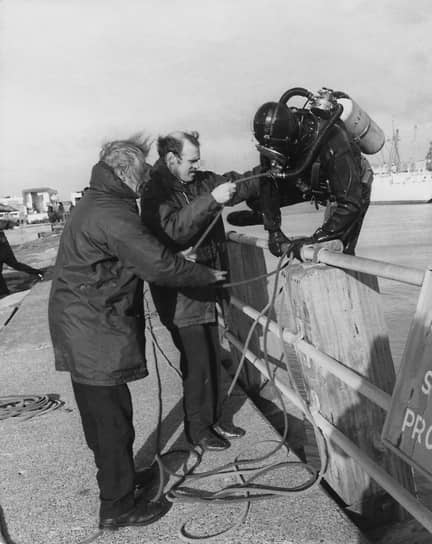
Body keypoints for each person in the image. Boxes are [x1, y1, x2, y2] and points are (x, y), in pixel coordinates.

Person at [48, 136, 229, 531]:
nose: (148, 178)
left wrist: (172, 258)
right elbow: (156, 266)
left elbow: (123, 257)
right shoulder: (112, 212)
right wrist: (203, 273)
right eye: (144, 171)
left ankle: (124, 482)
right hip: (94, 331)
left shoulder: (99, 203)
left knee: (105, 420)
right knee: (111, 424)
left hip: (83, 326)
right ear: (126, 171)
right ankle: (117, 507)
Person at [140, 131, 258, 452]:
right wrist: (213, 200)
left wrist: (267, 168)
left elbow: (240, 183)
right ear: (171, 159)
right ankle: (197, 428)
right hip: (179, 295)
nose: (197, 165)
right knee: (197, 363)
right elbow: (174, 232)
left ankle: (216, 417)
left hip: (204, 285)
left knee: (213, 356)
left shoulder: (201, 182)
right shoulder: (154, 195)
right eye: (192, 160)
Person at [227, 91, 374, 257]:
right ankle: (264, 217)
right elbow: (268, 182)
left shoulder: (333, 141)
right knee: (256, 198)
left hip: (352, 185)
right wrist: (273, 231)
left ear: (291, 138)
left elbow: (350, 203)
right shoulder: (272, 138)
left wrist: (315, 239)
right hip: (310, 181)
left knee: (339, 249)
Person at [0, 223, 43, 297]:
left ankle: (4, 291)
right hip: (5, 250)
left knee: (16, 265)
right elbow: (6, 224)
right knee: (17, 265)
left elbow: (6, 223)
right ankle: (38, 272)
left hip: (3, 251)